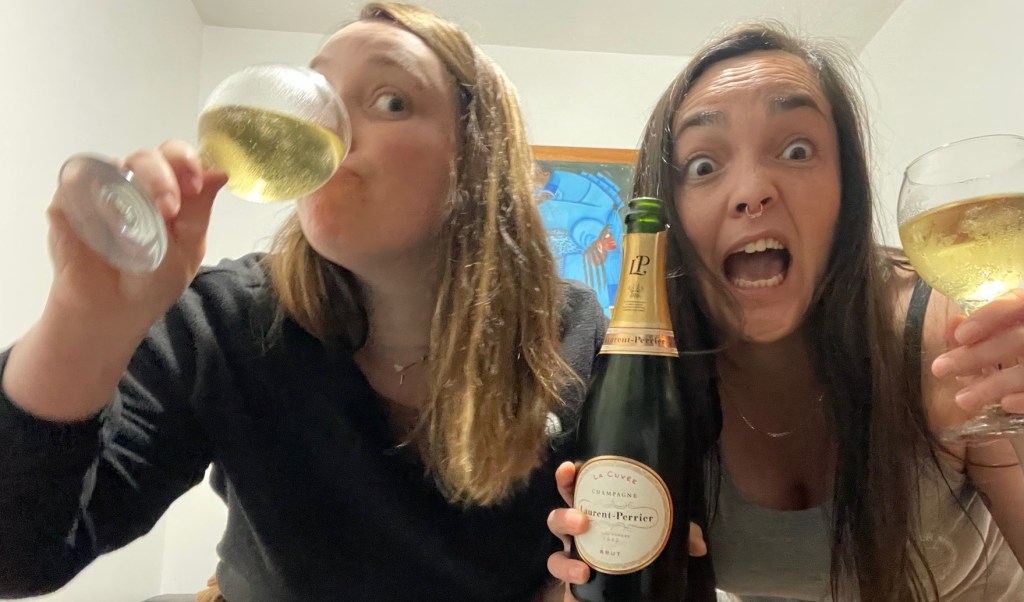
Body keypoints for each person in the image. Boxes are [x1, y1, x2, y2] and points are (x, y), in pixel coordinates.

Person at [0, 3, 606, 601]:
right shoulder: (223, 317)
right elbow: (18, 557)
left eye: (391, 101)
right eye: (316, 97)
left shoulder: (571, 331)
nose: (327, 129)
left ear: (479, 160)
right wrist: (85, 323)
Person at [547, 22, 1024, 601]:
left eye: (797, 150)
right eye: (702, 166)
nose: (752, 190)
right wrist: (591, 582)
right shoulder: (650, 386)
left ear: (847, 189)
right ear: (668, 217)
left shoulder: (953, 340)